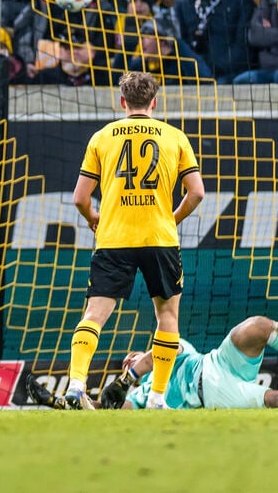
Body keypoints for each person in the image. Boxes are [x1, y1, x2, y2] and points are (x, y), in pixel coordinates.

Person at [64, 72, 205, 410]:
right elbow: (197, 192)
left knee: (94, 314)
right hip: (160, 238)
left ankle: (76, 384)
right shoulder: (174, 136)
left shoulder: (102, 137)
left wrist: (94, 220)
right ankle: (157, 397)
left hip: (115, 238)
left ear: (122, 101)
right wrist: (171, 219)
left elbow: (80, 198)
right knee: (167, 316)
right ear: (154, 102)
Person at [107, 316, 278, 410]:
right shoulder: (141, 394)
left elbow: (158, 355)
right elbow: (116, 409)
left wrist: (126, 379)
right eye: (125, 363)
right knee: (272, 399)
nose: (128, 360)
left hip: (218, 362)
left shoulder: (173, 347)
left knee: (258, 327)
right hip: (214, 395)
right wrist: (88, 403)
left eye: (133, 355)